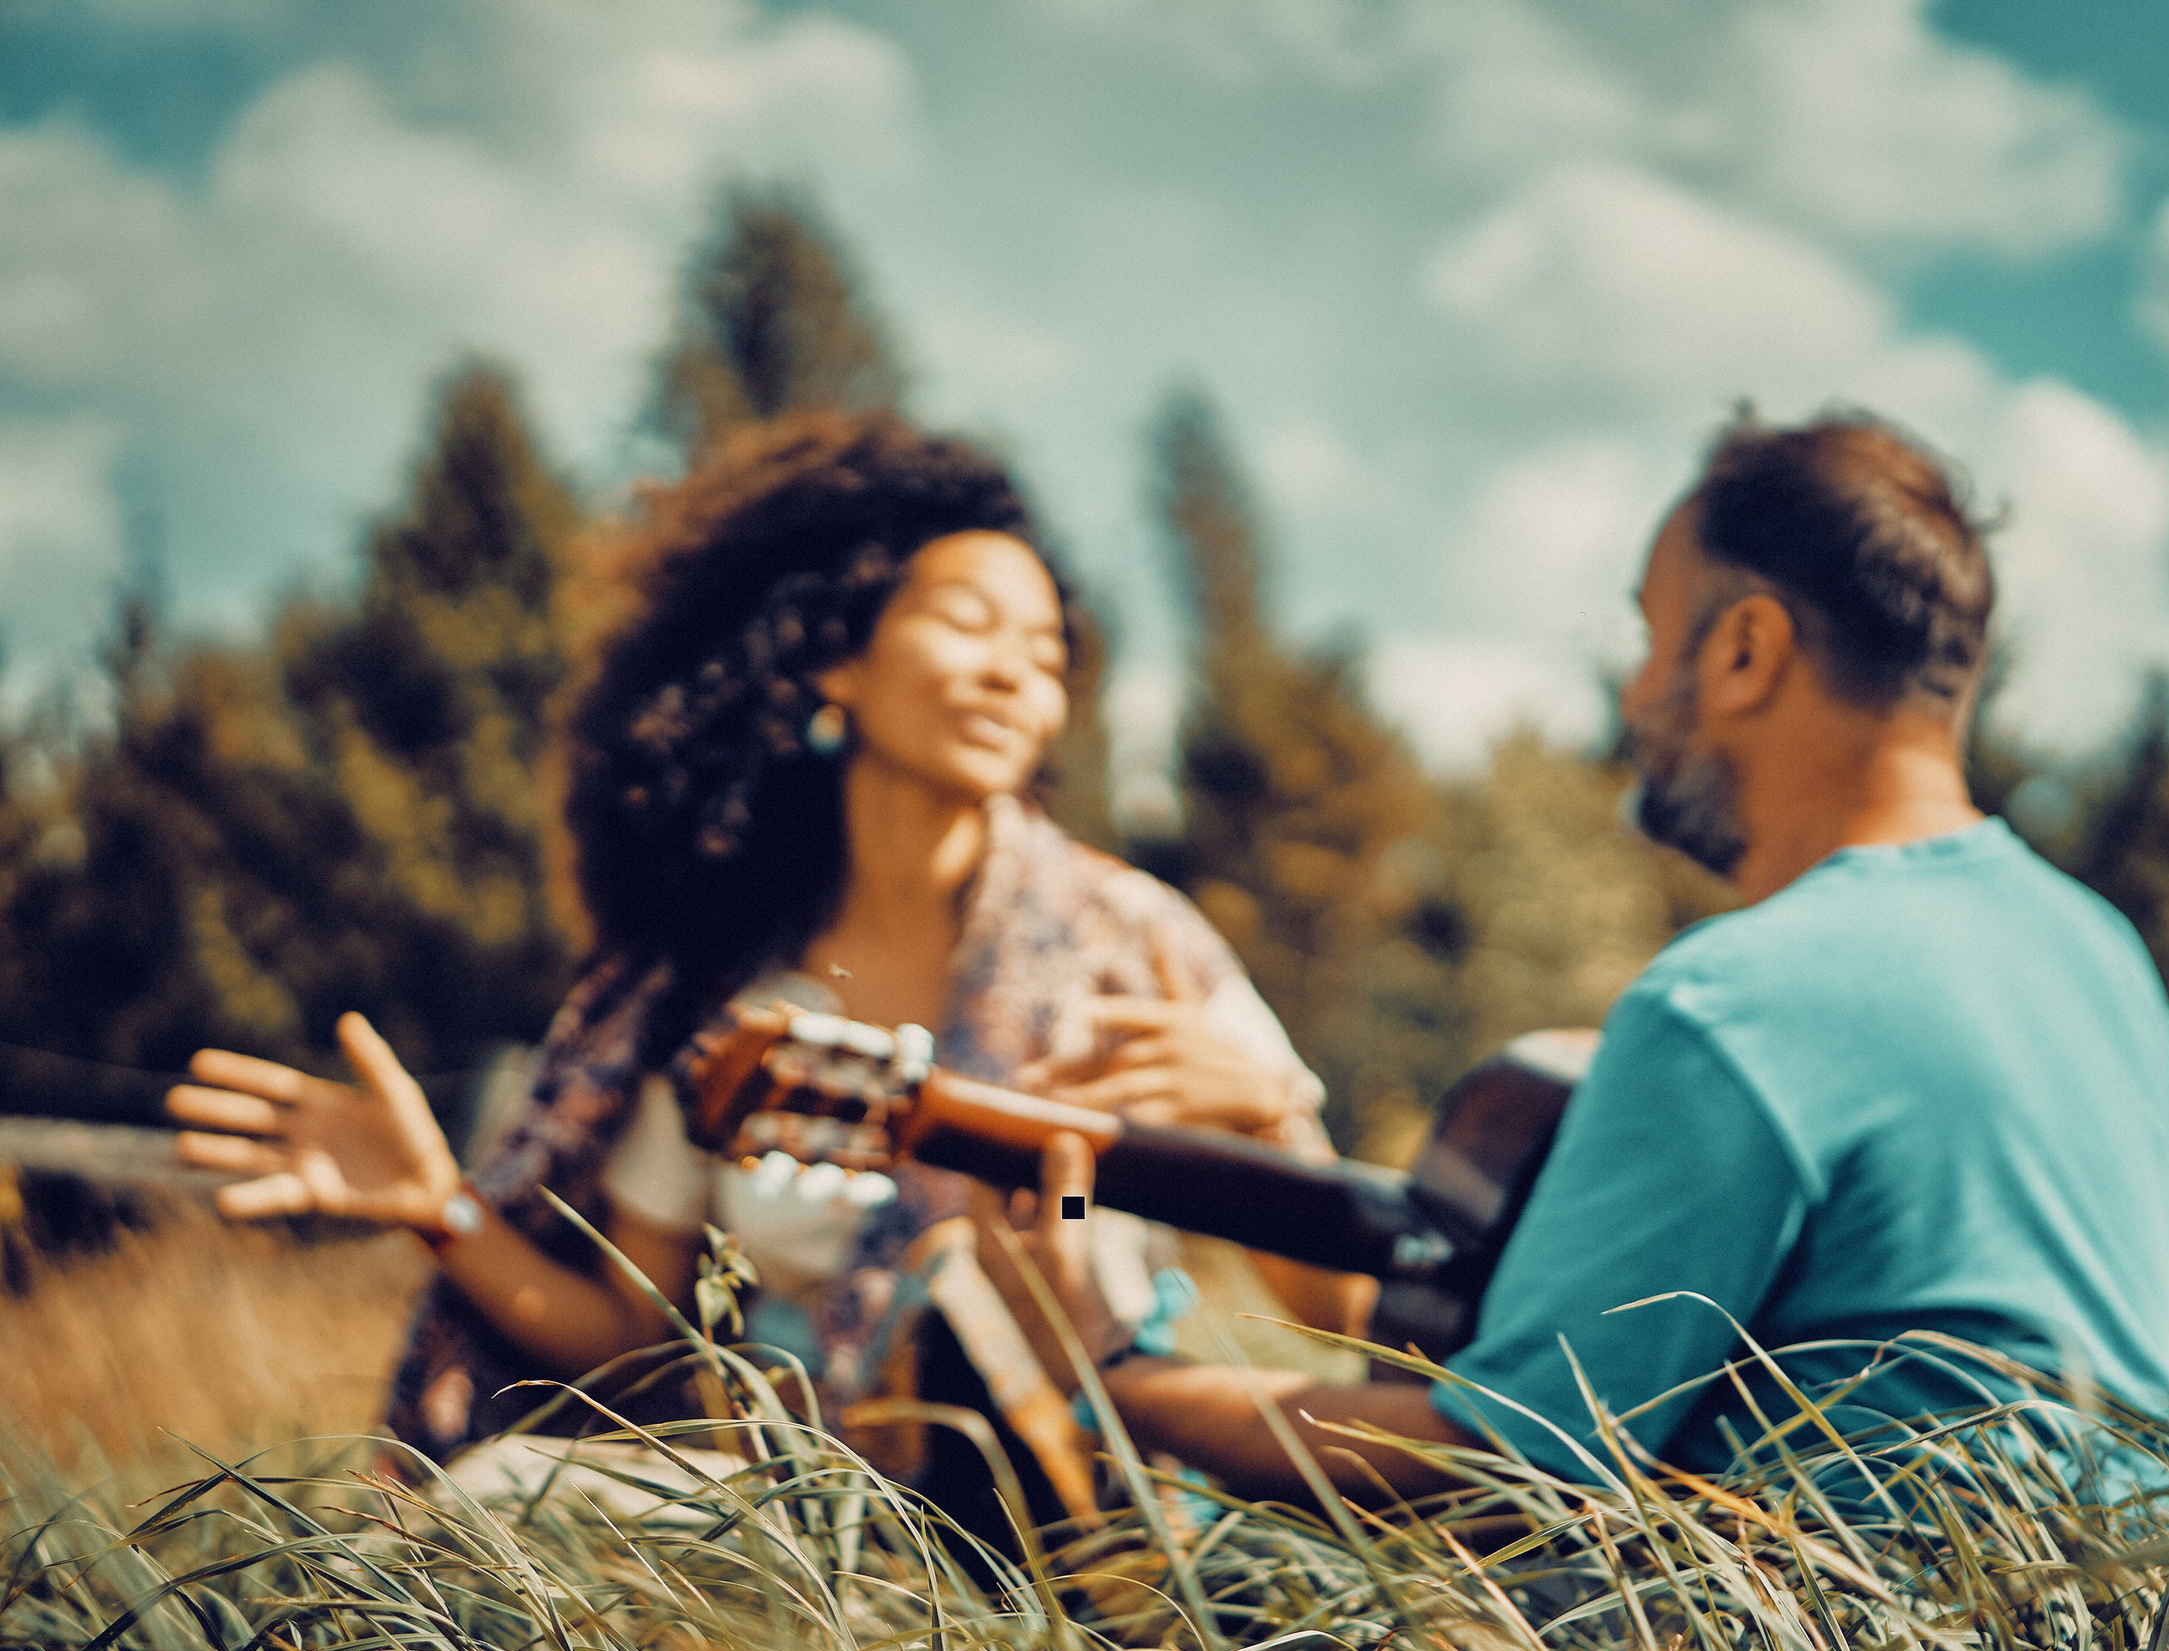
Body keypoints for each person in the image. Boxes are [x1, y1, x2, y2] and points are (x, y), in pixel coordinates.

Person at [167, 411, 1370, 1516]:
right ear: (833, 661)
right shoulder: (723, 996)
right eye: (967, 622)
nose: (1018, 673)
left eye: (1048, 652)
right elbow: (636, 1341)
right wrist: (445, 1213)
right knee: (498, 1501)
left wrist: (1266, 1127)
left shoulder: (1137, 945)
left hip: (1091, 1510)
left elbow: (1346, 1315)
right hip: (805, 1517)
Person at [1015, 409, 2169, 1502]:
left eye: (1646, 635)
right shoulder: (2102, 958)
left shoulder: (1734, 1003)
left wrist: (1111, 1376)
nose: (1633, 694)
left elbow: (1497, 1470)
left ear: (1744, 651)